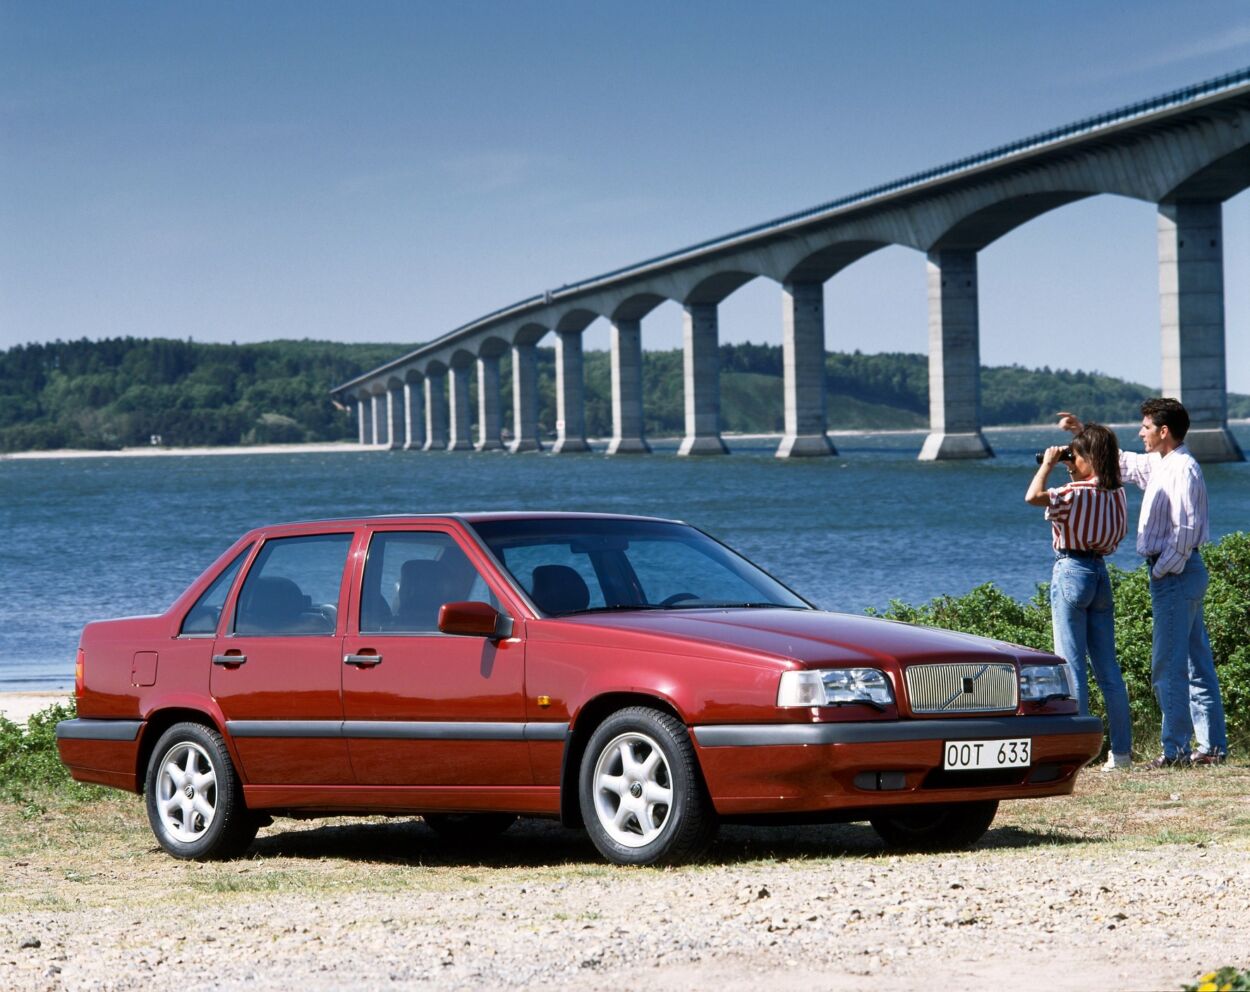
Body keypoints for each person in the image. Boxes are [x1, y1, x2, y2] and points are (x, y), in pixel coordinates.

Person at [1059, 400, 1227, 768]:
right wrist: (1080, 434)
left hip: (1176, 574)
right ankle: (1211, 747)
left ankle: (1176, 751)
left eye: (1146, 427)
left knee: (1167, 665)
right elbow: (1117, 461)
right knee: (1197, 662)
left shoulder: (1182, 468)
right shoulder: (1161, 463)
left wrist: (1161, 570)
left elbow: (1185, 529)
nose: (1141, 432)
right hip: (1183, 572)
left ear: (1164, 431)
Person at [1025, 423, 1132, 770]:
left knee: (1071, 666)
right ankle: (1122, 753)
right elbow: (1119, 535)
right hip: (1100, 572)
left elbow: (1032, 496)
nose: (1071, 463)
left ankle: (1077, 755)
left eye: (1075, 458)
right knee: (1108, 670)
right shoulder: (1118, 494)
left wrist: (1048, 463)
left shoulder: (1074, 493)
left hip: (1071, 569)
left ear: (1090, 458)